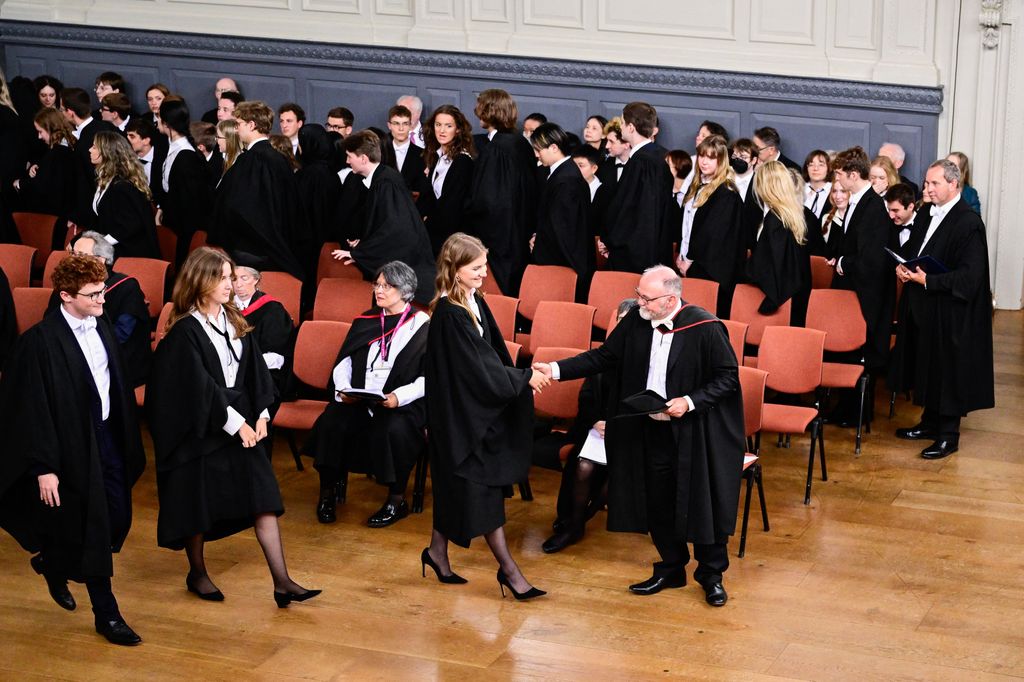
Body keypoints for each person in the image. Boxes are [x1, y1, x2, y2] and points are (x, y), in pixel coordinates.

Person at [533, 265, 745, 606]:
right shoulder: (637, 321)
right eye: (638, 294)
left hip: (692, 432)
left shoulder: (705, 327)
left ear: (671, 298)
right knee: (657, 500)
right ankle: (671, 567)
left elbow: (727, 378)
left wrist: (689, 402)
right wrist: (556, 370)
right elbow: (603, 357)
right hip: (648, 427)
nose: (639, 302)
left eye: (646, 297)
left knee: (698, 503)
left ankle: (711, 576)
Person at [146, 247, 321, 607]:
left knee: (264, 500)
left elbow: (256, 373)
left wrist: (261, 415)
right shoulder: (185, 332)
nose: (231, 285)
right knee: (197, 505)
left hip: (241, 423)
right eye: (223, 278)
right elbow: (198, 389)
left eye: (231, 277)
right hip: (200, 432)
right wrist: (237, 423)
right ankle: (197, 572)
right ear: (201, 281)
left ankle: (282, 581)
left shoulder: (235, 320)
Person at [0, 254, 146, 645]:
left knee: (115, 518)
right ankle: (107, 614)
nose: (103, 299)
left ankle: (52, 562)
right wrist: (44, 467)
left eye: (102, 291)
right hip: (67, 448)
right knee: (95, 526)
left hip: (108, 437)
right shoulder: (39, 344)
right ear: (66, 296)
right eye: (94, 294)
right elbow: (31, 409)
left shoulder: (103, 327)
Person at [422, 233, 548, 599]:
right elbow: (477, 368)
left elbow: (491, 356)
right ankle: (509, 571)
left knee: (456, 485)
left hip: (470, 412)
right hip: (459, 417)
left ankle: (436, 552)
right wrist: (525, 378)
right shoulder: (449, 313)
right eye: (476, 268)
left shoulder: (473, 299)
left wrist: (520, 376)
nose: (484, 273)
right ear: (455, 270)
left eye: (484, 265)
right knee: (482, 490)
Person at [305, 261, 429, 525]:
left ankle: (397, 500)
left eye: (387, 286)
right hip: (360, 397)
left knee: (395, 429)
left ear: (405, 291)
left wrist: (399, 397)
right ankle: (326, 494)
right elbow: (344, 361)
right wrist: (343, 389)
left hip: (401, 401)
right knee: (332, 421)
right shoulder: (366, 320)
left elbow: (430, 377)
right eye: (377, 284)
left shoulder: (421, 326)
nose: (379, 290)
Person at [890, 160, 994, 459]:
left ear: (953, 184)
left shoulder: (968, 222)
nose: (927, 189)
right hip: (925, 306)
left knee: (948, 370)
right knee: (928, 365)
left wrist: (929, 280)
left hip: (951, 311)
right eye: (926, 183)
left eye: (933, 184)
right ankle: (929, 422)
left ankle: (948, 435)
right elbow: (916, 251)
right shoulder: (924, 214)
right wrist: (904, 267)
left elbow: (971, 276)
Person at [543, 297, 635, 554]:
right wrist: (596, 420)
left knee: (618, 477)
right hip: (599, 429)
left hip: (633, 433)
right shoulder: (607, 354)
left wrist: (619, 426)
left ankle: (581, 518)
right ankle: (573, 525)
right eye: (619, 322)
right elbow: (588, 397)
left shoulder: (650, 357)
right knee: (582, 465)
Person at [331, 130, 436, 303]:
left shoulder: (385, 183)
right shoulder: (384, 177)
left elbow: (394, 229)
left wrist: (359, 253)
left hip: (410, 265)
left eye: (350, 156)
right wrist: (364, 242)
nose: (347, 161)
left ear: (363, 158)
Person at [830, 146, 894, 425]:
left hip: (865, 296)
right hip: (854, 294)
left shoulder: (872, 208)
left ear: (853, 175)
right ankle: (845, 409)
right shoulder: (861, 202)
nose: (838, 180)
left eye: (840, 174)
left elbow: (871, 259)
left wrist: (843, 263)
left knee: (859, 353)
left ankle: (856, 412)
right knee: (848, 352)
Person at [210, 100, 307, 281]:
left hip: (252, 250)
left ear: (252, 125)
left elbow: (237, 205)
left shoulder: (251, 160)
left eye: (239, 124)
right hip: (279, 246)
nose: (237, 129)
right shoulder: (278, 158)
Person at [464, 89, 538, 295]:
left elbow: (487, 199)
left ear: (489, 111)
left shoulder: (496, 148)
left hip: (499, 238)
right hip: (518, 234)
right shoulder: (520, 142)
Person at [65, 232, 153, 387]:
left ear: (100, 260)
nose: (72, 261)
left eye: (80, 255)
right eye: (72, 254)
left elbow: (122, 334)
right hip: (69, 356)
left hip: (111, 361)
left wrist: (85, 350)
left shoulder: (126, 288)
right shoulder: (67, 286)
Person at [675, 135, 744, 318]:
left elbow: (713, 235)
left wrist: (688, 260)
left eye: (711, 157)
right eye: (702, 156)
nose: (704, 161)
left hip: (709, 270)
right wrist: (682, 256)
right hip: (688, 262)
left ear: (721, 161)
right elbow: (687, 226)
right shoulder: (696, 186)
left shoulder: (726, 193)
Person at [603, 102, 674, 274]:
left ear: (631, 127)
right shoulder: (658, 156)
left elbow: (630, 209)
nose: (620, 126)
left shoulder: (642, 162)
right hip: (654, 251)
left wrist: (610, 239)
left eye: (622, 122)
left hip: (634, 255)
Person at [530, 122, 593, 300]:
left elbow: (563, 229)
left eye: (538, 149)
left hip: (560, 266)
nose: (536, 155)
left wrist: (539, 241)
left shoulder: (566, 179)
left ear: (554, 147)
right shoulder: (565, 173)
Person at [746, 161, 811, 325]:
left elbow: (767, 263)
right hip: (798, 294)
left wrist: (744, 270)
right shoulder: (792, 214)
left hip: (783, 298)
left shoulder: (775, 219)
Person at [158, 99, 213, 267]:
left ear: (166, 123)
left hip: (185, 233)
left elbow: (189, 202)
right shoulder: (177, 149)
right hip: (176, 226)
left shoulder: (186, 156)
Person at [90, 131, 160, 260]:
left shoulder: (122, 186)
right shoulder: (106, 179)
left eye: (94, 147)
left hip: (131, 255)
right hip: (113, 252)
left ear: (107, 152)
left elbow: (130, 226)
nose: (90, 150)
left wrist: (99, 244)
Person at [232, 265, 295, 402]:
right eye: (234, 279)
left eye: (244, 278)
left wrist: (243, 365)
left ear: (256, 279)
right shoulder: (224, 307)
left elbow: (278, 358)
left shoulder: (272, 310)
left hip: (262, 375)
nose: (238, 284)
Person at [420, 104, 476, 256]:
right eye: (438, 125)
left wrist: (428, 222)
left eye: (448, 126)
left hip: (452, 236)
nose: (442, 130)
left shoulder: (463, 161)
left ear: (458, 130)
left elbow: (453, 204)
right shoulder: (436, 156)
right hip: (436, 231)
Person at [13, 108, 81, 228]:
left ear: (51, 128)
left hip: (56, 220)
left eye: (40, 131)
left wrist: (20, 184)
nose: (39, 137)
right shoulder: (67, 146)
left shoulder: (58, 152)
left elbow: (45, 186)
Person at [386, 104, 427, 196]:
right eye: (396, 123)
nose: (401, 129)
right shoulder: (380, 152)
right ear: (389, 125)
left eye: (405, 123)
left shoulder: (423, 155)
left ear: (410, 125)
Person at [811, 182, 849, 258]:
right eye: (834, 191)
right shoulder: (826, 218)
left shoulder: (858, 218)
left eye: (843, 191)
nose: (838, 196)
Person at [884, 182, 919, 251]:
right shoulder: (885, 225)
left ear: (910, 207)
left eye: (895, 210)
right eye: (889, 210)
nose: (891, 216)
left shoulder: (925, 225)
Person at [802, 149, 832, 219]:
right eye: (811, 165)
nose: (815, 168)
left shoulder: (835, 191)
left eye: (821, 165)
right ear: (807, 168)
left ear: (828, 169)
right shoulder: (799, 189)